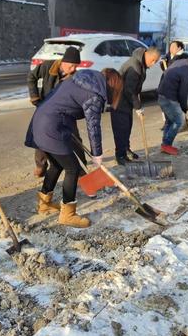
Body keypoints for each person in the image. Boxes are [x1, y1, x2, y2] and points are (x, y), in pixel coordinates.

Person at [25, 68, 123, 228]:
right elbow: (93, 126)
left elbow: (64, 105)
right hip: (51, 127)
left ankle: (44, 204)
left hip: (41, 122)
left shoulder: (80, 79)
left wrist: (67, 130)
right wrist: (96, 154)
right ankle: (68, 214)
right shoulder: (94, 95)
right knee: (72, 169)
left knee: (57, 165)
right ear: (113, 85)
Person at [27, 46, 85, 177]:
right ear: (63, 62)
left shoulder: (75, 76)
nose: (73, 69)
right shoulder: (48, 66)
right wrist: (35, 97)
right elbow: (31, 77)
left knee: (74, 137)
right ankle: (41, 165)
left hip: (65, 111)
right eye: (71, 66)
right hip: (46, 108)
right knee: (41, 139)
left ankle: (81, 167)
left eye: (76, 66)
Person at [110, 47, 161, 165]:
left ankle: (126, 150)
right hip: (119, 100)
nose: (153, 64)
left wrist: (137, 104)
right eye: (153, 60)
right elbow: (129, 90)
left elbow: (134, 89)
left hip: (126, 100)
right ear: (147, 55)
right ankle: (120, 155)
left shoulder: (141, 64)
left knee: (127, 126)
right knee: (121, 129)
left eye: (156, 61)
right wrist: (138, 107)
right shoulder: (135, 66)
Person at [157, 42, 188, 155]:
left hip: (171, 92)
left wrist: (183, 106)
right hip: (168, 92)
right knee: (176, 121)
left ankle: (166, 144)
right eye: (170, 46)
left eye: (173, 47)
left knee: (173, 120)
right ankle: (166, 145)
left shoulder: (184, 58)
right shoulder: (169, 56)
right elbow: (164, 70)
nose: (171, 49)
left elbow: (182, 88)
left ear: (179, 48)